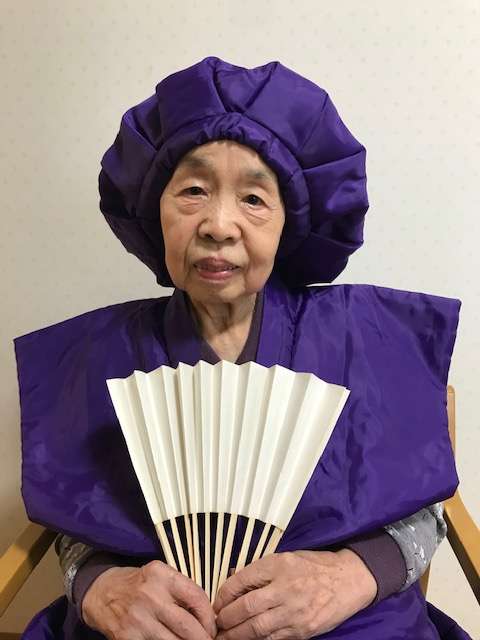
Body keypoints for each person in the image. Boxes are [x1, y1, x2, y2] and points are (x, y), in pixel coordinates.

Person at [13, 56, 469, 640]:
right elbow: (74, 509)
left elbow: (425, 508)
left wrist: (350, 576)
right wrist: (99, 584)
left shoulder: (369, 341)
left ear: (289, 223)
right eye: (193, 191)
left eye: (254, 199)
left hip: (342, 625)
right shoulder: (96, 355)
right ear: (154, 211)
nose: (219, 225)